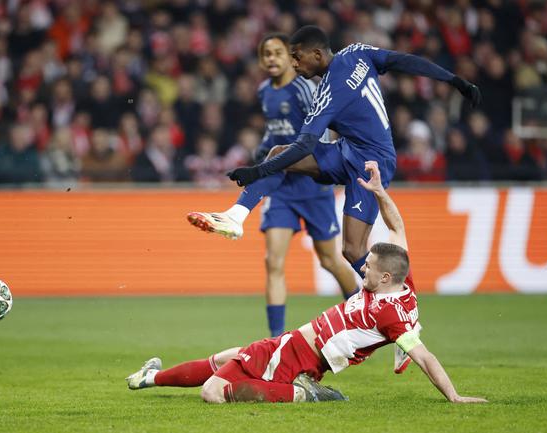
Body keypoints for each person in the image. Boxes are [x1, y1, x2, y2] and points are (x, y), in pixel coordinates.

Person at [127, 161, 487, 404]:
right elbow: (397, 227)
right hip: (296, 345)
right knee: (227, 356)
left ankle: (304, 394)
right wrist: (378, 190)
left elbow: (423, 355)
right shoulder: (402, 280)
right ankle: (150, 379)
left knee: (213, 391)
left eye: (369, 268)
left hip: (302, 354)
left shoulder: (393, 317)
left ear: (386, 277)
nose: (362, 270)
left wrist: (453, 396)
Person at [186, 25, 481, 291]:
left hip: (371, 164)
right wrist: (454, 80)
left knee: (352, 250)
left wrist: (257, 172)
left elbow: (303, 147)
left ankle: (400, 297)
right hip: (347, 152)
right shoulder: (358, 52)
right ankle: (236, 217)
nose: (294, 64)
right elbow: (405, 60)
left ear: (317, 54)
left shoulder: (328, 95)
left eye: (297, 57)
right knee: (278, 153)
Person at [189, 33, 358, 338]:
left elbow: (323, 130)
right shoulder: (265, 91)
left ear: (291, 58)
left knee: (331, 260)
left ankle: (361, 315)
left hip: (312, 186)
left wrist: (320, 165)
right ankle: (276, 339)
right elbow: (274, 132)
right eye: (266, 53)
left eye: (278, 53)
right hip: (281, 187)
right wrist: (262, 152)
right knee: (273, 262)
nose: (272, 59)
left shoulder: (306, 88)